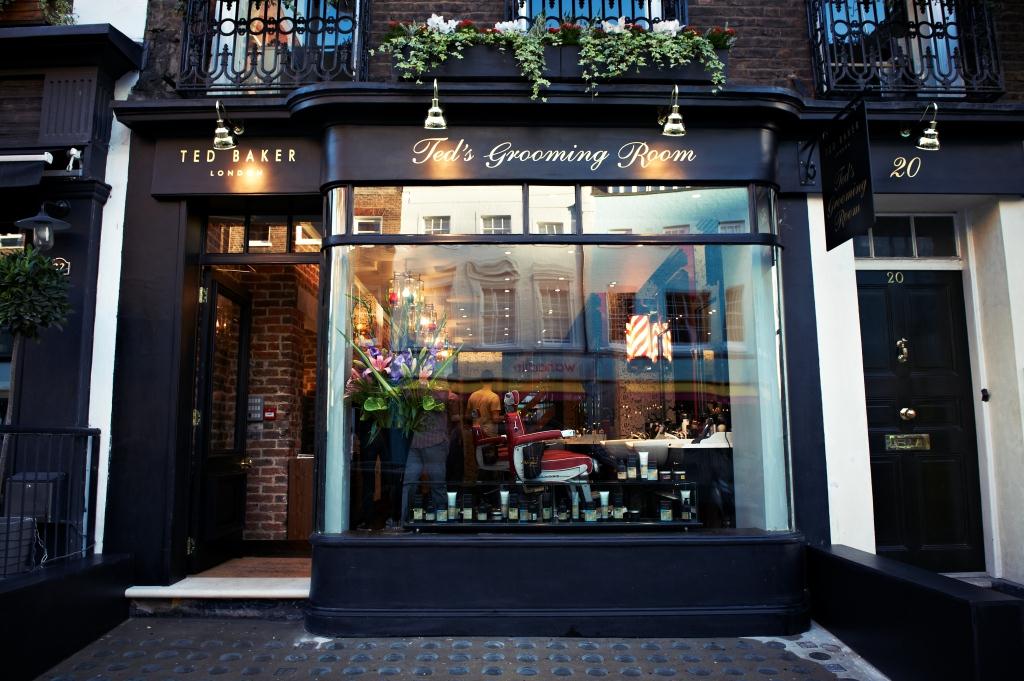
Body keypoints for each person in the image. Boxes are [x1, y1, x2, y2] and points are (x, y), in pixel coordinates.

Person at [400, 387, 456, 525]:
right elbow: (406, 395)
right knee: (409, 484)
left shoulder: (438, 383)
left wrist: (420, 389)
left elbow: (444, 398)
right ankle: (404, 520)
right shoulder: (414, 383)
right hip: (416, 442)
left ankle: (441, 522)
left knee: (437, 484)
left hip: (435, 440)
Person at [465, 369, 502, 481]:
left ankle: (478, 483)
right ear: (493, 381)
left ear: (481, 380)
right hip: (489, 434)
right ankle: (490, 485)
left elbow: (467, 416)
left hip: (476, 433)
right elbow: (495, 419)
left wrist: (477, 417)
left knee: (478, 459)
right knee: (490, 461)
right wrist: (505, 417)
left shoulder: (473, 396)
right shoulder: (494, 397)